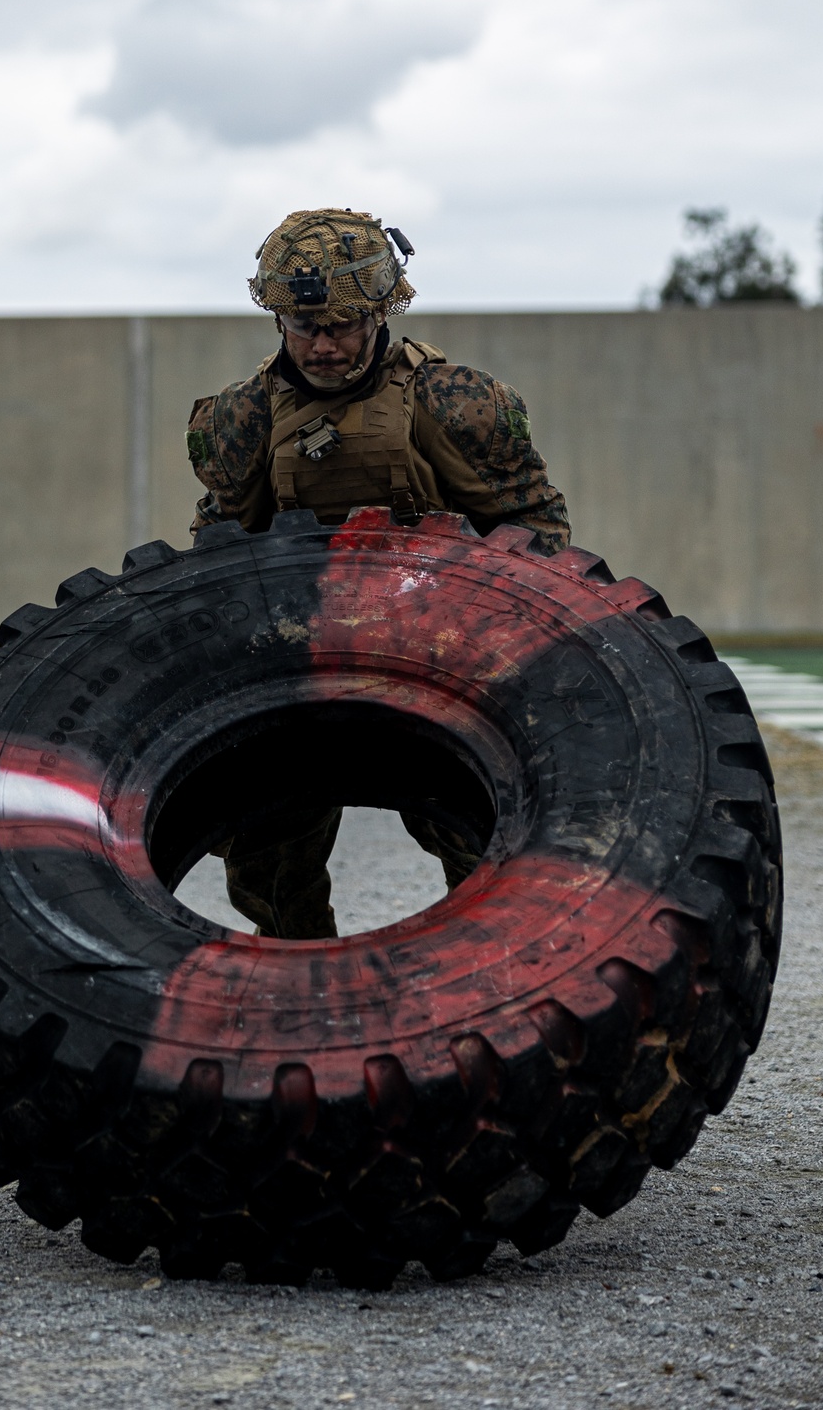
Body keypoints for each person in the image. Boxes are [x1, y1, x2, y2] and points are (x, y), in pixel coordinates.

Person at [186, 208, 570, 939]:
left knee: (479, 838)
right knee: (266, 862)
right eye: (305, 328)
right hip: (300, 662)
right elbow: (221, 554)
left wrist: (501, 652)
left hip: (438, 660)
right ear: (278, 322)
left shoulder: (453, 404)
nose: (324, 345)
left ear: (381, 313)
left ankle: (485, 979)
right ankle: (307, 990)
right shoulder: (246, 419)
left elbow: (534, 532)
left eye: (343, 325)